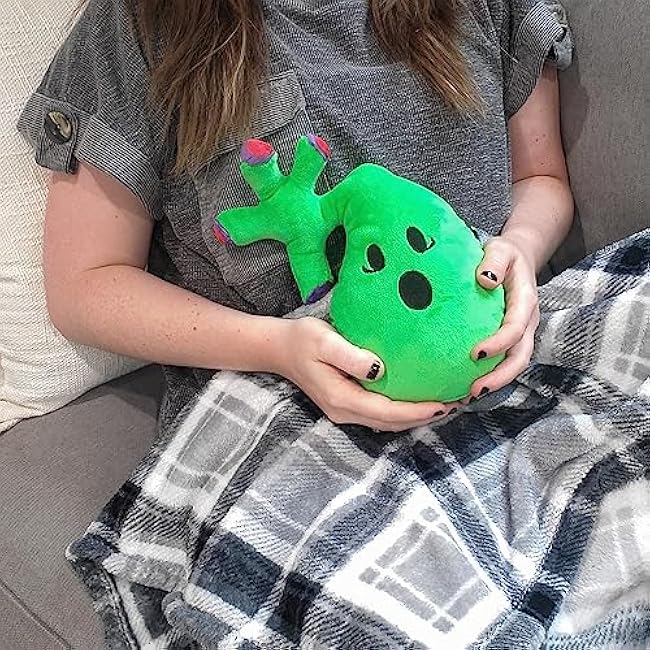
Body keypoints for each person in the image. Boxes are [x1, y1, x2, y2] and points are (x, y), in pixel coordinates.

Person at [18, 0, 574, 434]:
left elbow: (541, 180)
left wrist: (519, 254)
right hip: (287, 417)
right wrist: (278, 348)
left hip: (517, 368)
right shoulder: (138, 24)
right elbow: (85, 284)